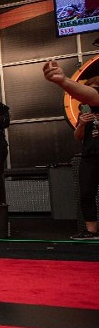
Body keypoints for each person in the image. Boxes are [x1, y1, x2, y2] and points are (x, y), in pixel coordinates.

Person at [71, 80, 99, 240]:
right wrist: (81, 124)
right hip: (89, 155)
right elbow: (77, 137)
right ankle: (91, 230)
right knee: (86, 193)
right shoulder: (84, 113)